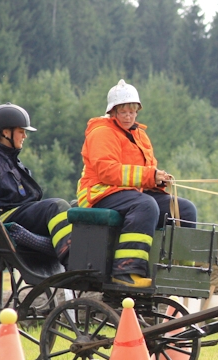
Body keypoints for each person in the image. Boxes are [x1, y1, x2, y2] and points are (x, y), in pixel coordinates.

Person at [77, 79, 197, 288]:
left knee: (184, 209)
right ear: (112, 112)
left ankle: (182, 269)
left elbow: (147, 172)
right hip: (100, 194)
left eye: (132, 111)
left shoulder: (140, 135)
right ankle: (126, 271)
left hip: (131, 194)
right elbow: (107, 171)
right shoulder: (101, 132)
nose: (128, 116)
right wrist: (150, 176)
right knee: (145, 205)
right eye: (123, 112)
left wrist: (158, 179)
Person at [0, 103, 71, 266]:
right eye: (21, 131)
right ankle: (72, 261)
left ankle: (74, 253)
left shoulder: (11, 161)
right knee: (56, 206)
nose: (25, 136)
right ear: (6, 132)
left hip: (21, 214)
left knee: (74, 209)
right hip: (5, 219)